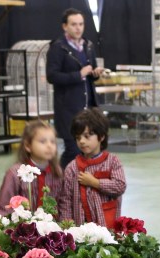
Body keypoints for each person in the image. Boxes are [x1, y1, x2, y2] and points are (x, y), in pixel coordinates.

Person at [47, 8, 103, 170]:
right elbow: (52, 76)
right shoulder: (58, 48)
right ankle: (59, 181)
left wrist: (94, 73)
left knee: (88, 151)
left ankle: (80, 186)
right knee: (72, 150)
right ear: (65, 26)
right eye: (74, 24)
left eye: (81, 24)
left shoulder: (88, 46)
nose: (78, 28)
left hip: (88, 109)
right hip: (68, 110)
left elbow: (89, 73)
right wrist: (78, 75)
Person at [59, 108, 126, 227]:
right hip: (81, 231)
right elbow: (66, 200)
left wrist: (95, 182)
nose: (82, 142)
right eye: (78, 138)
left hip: (108, 228)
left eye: (87, 136)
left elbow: (120, 186)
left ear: (101, 137)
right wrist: (67, 225)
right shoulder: (72, 168)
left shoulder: (112, 161)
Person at [0, 120, 65, 216]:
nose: (49, 146)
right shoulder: (15, 174)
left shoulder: (57, 172)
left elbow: (63, 204)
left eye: (52, 142)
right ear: (28, 146)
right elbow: (3, 208)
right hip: (20, 228)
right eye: (43, 141)